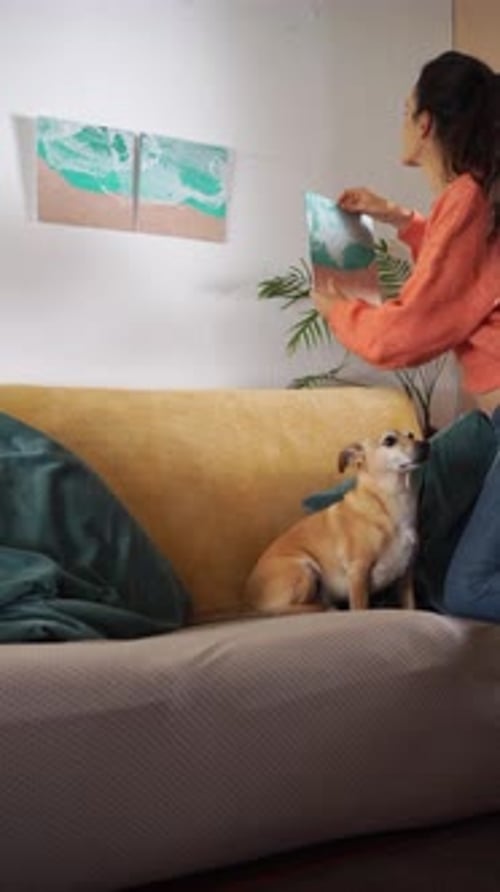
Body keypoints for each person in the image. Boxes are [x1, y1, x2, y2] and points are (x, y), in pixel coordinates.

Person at [311, 51, 500, 415]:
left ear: (425, 123)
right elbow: (472, 269)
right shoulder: (482, 193)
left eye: (405, 112)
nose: (403, 124)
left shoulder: (468, 196)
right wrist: (398, 217)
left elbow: (406, 333)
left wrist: (338, 311)